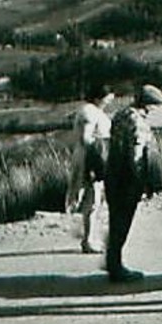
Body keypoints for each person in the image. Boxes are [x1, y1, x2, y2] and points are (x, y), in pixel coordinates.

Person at [102, 84, 162, 283]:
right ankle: (116, 267)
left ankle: (113, 261)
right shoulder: (138, 122)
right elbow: (136, 155)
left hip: (113, 174)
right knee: (123, 222)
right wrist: (142, 182)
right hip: (127, 179)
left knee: (116, 221)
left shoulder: (121, 115)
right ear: (148, 105)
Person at [66, 85, 115, 254]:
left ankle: (89, 237)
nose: (110, 99)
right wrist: (99, 156)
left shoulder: (91, 111)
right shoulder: (90, 112)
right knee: (92, 200)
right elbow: (86, 138)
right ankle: (87, 240)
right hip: (90, 159)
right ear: (99, 97)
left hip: (91, 157)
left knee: (93, 199)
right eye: (108, 96)